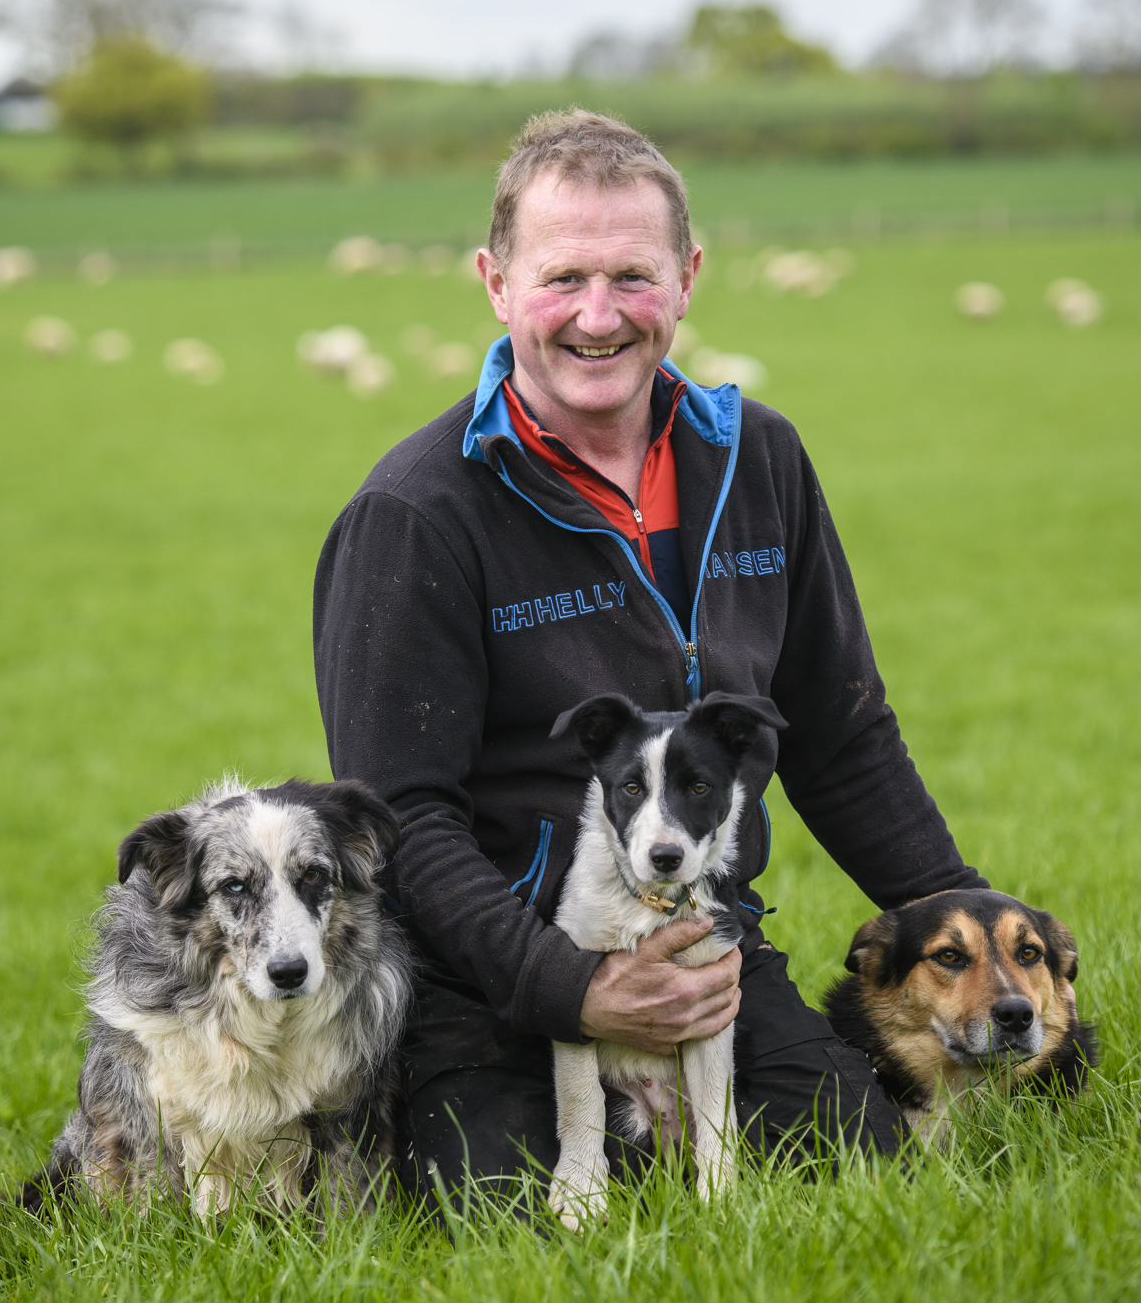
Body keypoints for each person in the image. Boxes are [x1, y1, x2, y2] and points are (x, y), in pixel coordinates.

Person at [312, 110, 986, 1205]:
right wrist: (566, 988)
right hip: (487, 984)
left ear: (686, 278)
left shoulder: (755, 458)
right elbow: (399, 823)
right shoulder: (414, 515)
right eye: (559, 276)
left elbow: (838, 731)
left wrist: (976, 929)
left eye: (631, 276)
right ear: (493, 283)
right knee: (512, 1221)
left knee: (848, 1176)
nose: (595, 315)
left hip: (699, 951)